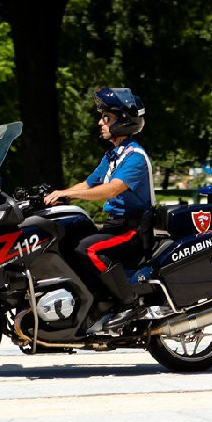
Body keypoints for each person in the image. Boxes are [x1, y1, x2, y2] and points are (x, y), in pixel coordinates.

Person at [44, 87, 155, 316]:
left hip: (132, 229)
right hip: (116, 226)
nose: (100, 123)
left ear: (123, 122)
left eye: (106, 118)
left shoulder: (135, 156)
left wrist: (65, 193)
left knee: (88, 249)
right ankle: (90, 299)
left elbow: (111, 189)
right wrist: (58, 195)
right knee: (67, 240)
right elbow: (88, 184)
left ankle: (127, 304)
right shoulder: (113, 155)